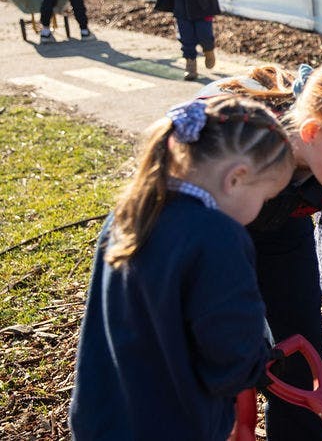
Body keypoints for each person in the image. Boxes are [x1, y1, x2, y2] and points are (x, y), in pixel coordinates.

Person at [199, 58, 322, 441]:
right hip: (195, 234)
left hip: (281, 228)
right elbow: (196, 266)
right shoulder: (232, 148)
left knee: (301, 361)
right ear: (312, 132)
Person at [70, 96, 295, 439]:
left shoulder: (131, 213)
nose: (260, 210)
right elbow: (230, 361)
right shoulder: (218, 237)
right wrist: (258, 357)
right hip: (173, 424)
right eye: (264, 197)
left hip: (101, 419)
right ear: (236, 178)